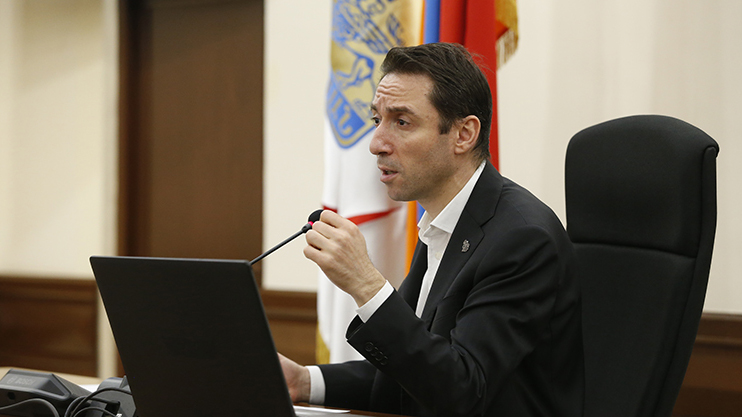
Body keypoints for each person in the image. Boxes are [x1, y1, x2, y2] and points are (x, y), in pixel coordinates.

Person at [280, 43, 584, 417]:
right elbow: (410, 372)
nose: (376, 144)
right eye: (377, 120)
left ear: (463, 134)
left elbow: (461, 390)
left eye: (402, 122)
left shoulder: (522, 239)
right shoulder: (446, 222)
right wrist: (304, 381)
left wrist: (366, 284)